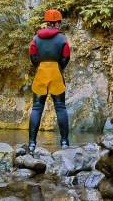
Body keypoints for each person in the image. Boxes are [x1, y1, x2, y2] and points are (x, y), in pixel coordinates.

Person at [28, 9, 71, 154]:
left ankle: (32, 144)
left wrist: (40, 66)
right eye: (59, 22)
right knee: (60, 107)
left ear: (46, 22)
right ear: (57, 23)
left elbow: (33, 57)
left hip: (41, 73)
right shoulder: (62, 39)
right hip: (56, 74)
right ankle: (64, 142)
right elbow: (66, 57)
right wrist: (59, 67)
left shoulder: (35, 39)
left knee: (36, 108)